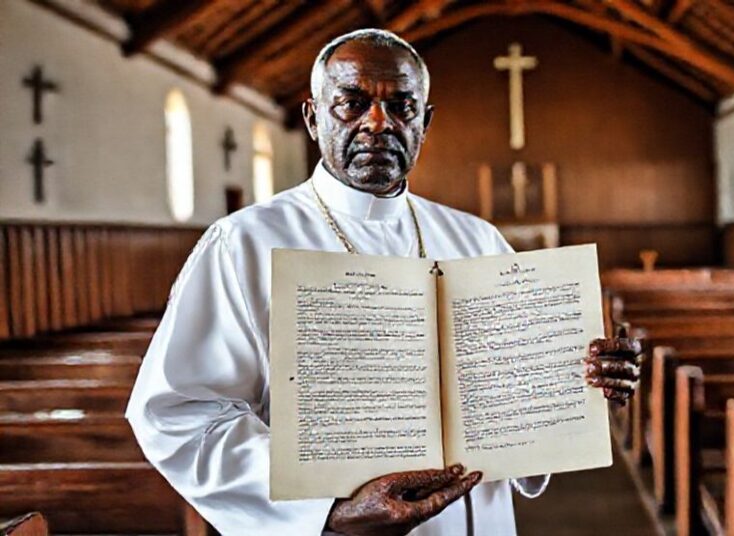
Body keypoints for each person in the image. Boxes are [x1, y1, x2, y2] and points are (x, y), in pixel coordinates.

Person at [126, 29, 641, 536]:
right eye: (351, 103)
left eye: (402, 107)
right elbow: (178, 413)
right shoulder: (243, 243)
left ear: (425, 121)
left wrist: (584, 384)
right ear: (312, 117)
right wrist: (326, 511)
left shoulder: (477, 239)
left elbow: (520, 396)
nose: (379, 123)